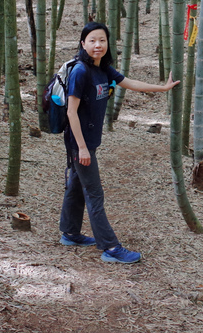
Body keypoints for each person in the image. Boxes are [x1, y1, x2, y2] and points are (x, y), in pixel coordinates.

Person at [59, 22, 179, 264]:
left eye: (102, 40)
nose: (97, 45)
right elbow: (72, 113)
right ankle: (110, 247)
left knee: (76, 185)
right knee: (94, 193)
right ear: (83, 43)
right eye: (92, 40)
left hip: (88, 140)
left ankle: (70, 233)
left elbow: (130, 83)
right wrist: (81, 148)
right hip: (79, 142)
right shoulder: (80, 72)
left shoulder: (103, 69)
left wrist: (162, 88)